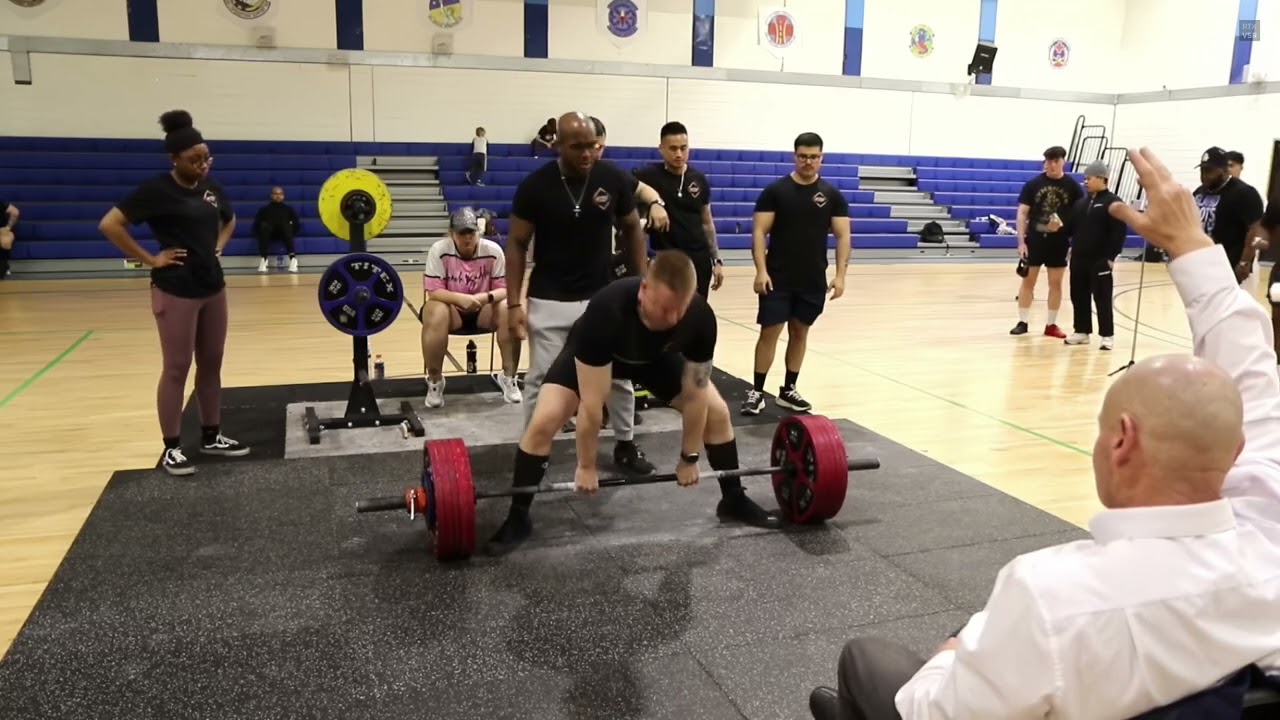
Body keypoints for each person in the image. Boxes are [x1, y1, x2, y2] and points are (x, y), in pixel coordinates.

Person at [807, 146, 1280, 720]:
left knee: (868, 661)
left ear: (1122, 441)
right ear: (1234, 452)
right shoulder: (1268, 541)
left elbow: (932, 711)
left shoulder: (1053, 595)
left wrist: (950, 659)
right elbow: (1254, 389)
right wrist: (1193, 248)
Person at [485, 250, 780, 550]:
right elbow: (591, 405)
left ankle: (732, 497)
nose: (673, 318)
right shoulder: (607, 310)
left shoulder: (700, 319)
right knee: (543, 421)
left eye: (679, 309)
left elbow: (695, 396)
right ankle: (518, 515)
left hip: (655, 360)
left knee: (716, 412)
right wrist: (586, 466)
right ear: (644, 290)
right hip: (597, 354)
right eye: (665, 308)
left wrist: (689, 457)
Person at [97, 109, 250, 476]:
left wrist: (218, 246)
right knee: (177, 367)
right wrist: (150, 259)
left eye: (206, 158)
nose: (202, 166)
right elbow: (110, 224)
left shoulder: (212, 190)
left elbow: (230, 220)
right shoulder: (155, 191)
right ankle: (171, 447)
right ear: (174, 159)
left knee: (211, 362)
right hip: (176, 291)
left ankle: (211, 436)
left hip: (213, 287)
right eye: (194, 160)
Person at [504, 111, 655, 476]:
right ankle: (532, 451)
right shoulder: (535, 186)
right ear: (557, 144)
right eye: (578, 147)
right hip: (549, 298)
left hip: (602, 296)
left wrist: (641, 284)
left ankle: (624, 443)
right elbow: (517, 243)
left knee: (617, 375)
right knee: (541, 378)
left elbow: (633, 228)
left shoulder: (613, 177)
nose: (588, 153)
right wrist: (512, 303)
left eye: (593, 145)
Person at [743, 132, 851, 416]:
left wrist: (841, 275)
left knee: (800, 332)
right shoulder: (775, 192)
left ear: (821, 159)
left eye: (814, 157)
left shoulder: (832, 196)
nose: (808, 161)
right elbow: (758, 232)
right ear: (795, 156)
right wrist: (760, 271)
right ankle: (757, 390)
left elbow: (843, 236)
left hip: (812, 279)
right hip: (777, 277)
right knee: (770, 332)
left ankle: (788, 389)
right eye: (803, 156)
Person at [421, 207, 521, 406]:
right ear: (451, 234)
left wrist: (486, 297)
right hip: (452, 309)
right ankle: (434, 380)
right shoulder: (439, 251)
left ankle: (509, 377)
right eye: (461, 233)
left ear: (478, 232)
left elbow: (504, 288)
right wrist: (460, 299)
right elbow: (434, 291)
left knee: (508, 307)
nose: (467, 238)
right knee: (434, 309)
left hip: (484, 308)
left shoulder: (493, 251)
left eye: (471, 232)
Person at [633, 121, 725, 298]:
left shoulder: (699, 179)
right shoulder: (646, 177)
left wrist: (717, 260)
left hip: (698, 260)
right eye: (673, 148)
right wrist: (653, 204)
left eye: (684, 148)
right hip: (665, 261)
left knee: (696, 313)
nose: (679, 154)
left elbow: (707, 223)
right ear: (661, 148)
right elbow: (635, 219)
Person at [1011, 145, 1085, 338]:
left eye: (1055, 161)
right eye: (1048, 161)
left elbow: (1080, 217)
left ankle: (1051, 325)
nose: (1051, 165)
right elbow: (1022, 214)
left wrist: (1071, 237)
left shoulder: (1073, 188)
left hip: (1059, 242)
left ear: (1063, 162)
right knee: (1028, 281)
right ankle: (1023, 321)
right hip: (1035, 240)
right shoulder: (1033, 184)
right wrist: (1021, 242)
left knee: (1056, 284)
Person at [1058, 161, 1127, 350]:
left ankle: (1107, 335)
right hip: (1079, 258)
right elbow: (1072, 229)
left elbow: (1119, 232)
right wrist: (1058, 226)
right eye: (1084, 178)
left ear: (1101, 178)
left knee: (1102, 298)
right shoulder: (1081, 203)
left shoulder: (1113, 203)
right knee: (1078, 295)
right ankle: (1081, 330)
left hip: (1100, 259)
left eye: (1089, 178)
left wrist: (1111, 257)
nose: (1085, 182)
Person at [1193, 146, 1265, 284]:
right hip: (1203, 265)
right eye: (1202, 170)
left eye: (1209, 170)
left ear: (1224, 170)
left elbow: (1255, 230)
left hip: (1232, 266)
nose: (1204, 175)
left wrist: (1245, 261)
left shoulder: (1245, 193)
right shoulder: (1199, 192)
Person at [252, 186, 300, 273]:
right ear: (271, 195)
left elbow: (296, 224)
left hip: (284, 233)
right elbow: (256, 225)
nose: (278, 196)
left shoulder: (288, 209)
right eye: (275, 194)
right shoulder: (264, 210)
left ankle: (293, 260)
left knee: (287, 226)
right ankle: (263, 260)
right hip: (269, 233)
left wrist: (292, 230)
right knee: (264, 227)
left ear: (283, 196)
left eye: (280, 194)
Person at [0, 198, 17, 279]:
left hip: (2, 230)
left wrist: (8, 227)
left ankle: (3, 267)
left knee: (5, 240)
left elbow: (15, 212)